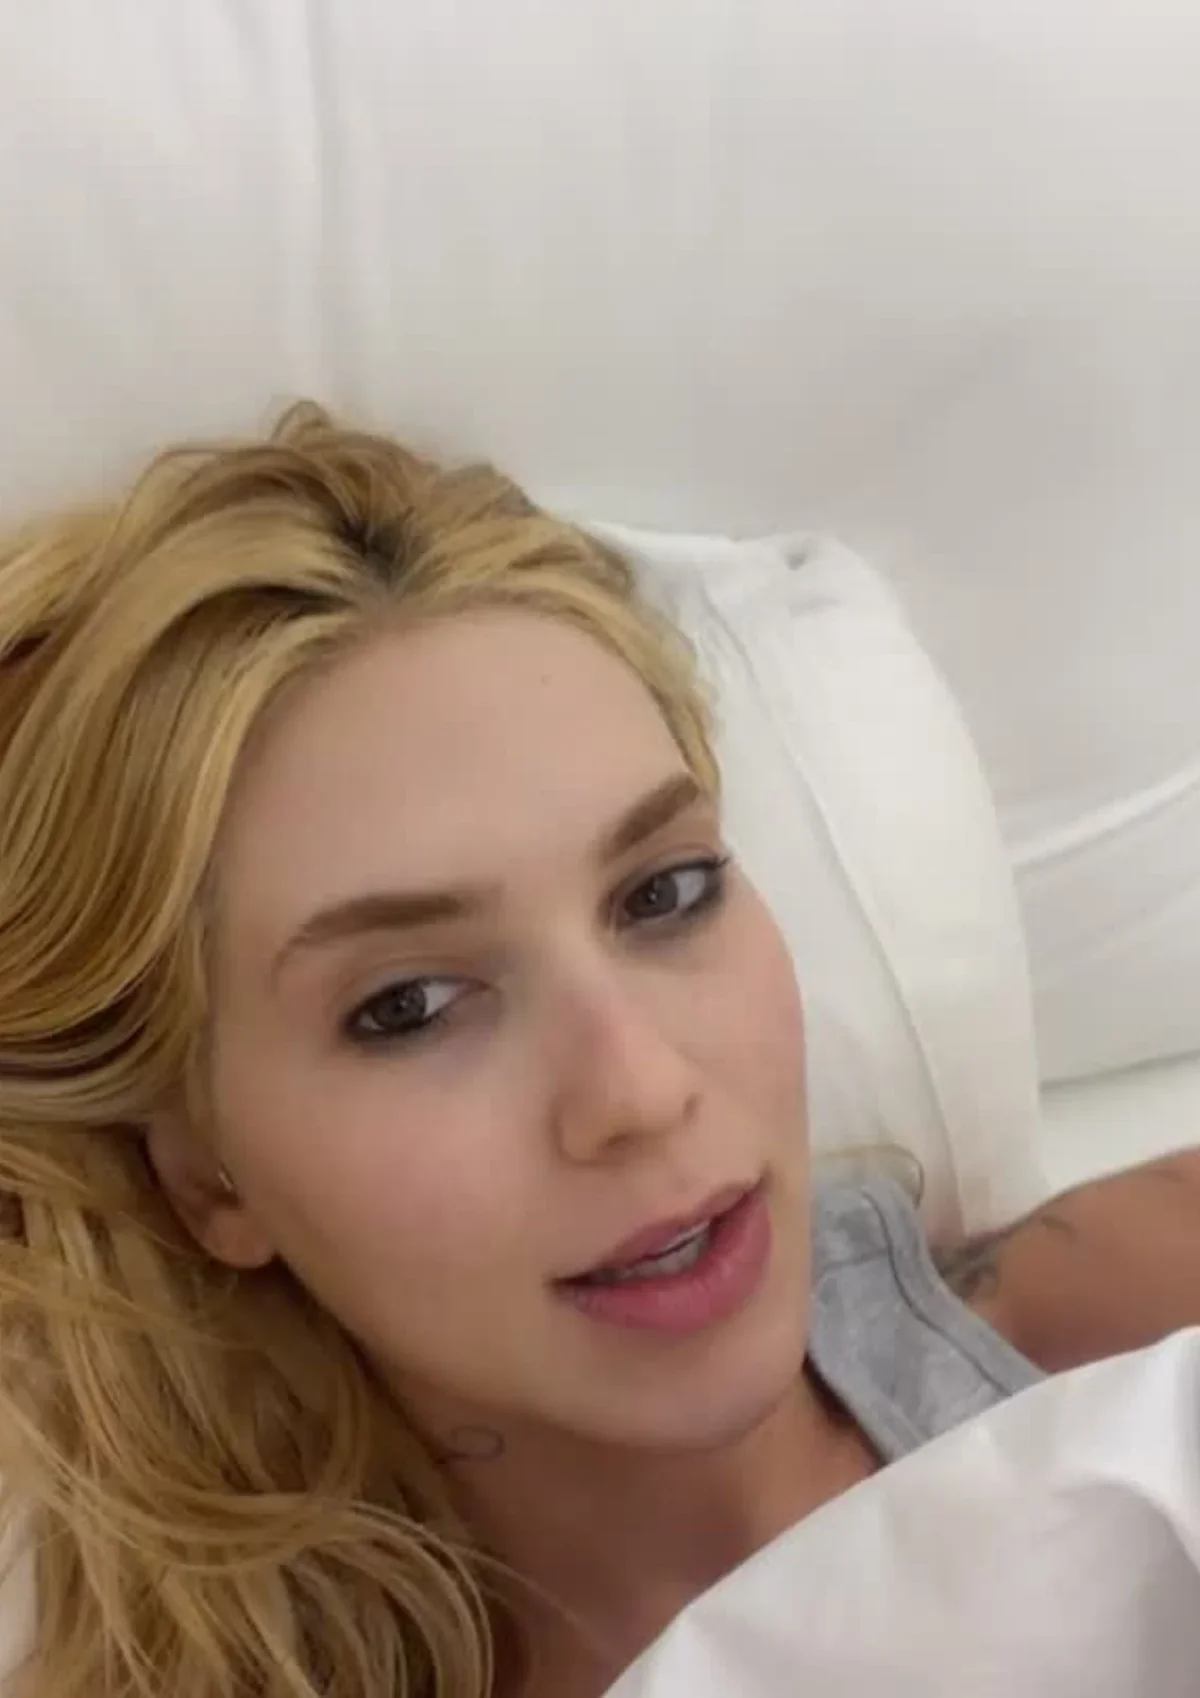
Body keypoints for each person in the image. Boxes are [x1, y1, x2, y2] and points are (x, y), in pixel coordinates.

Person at [2, 403, 1199, 1698]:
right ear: (206, 1176)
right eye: (409, 1005)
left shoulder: (1115, 1340)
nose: (639, 1088)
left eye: (665, 893)